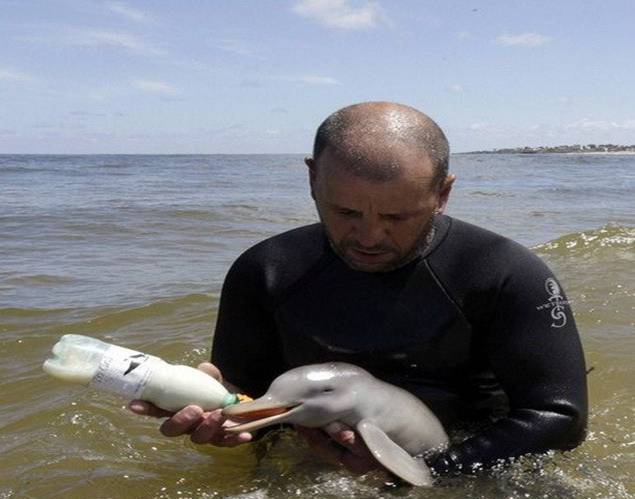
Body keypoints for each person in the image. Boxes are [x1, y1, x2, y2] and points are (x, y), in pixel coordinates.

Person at [130, 101, 588, 476]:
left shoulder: (504, 272)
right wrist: (221, 414)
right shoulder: (265, 270)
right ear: (312, 178)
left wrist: (428, 472)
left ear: (442, 193)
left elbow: (559, 420)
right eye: (346, 212)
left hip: (470, 462)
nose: (368, 237)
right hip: (322, 463)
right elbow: (252, 404)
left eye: (396, 217)